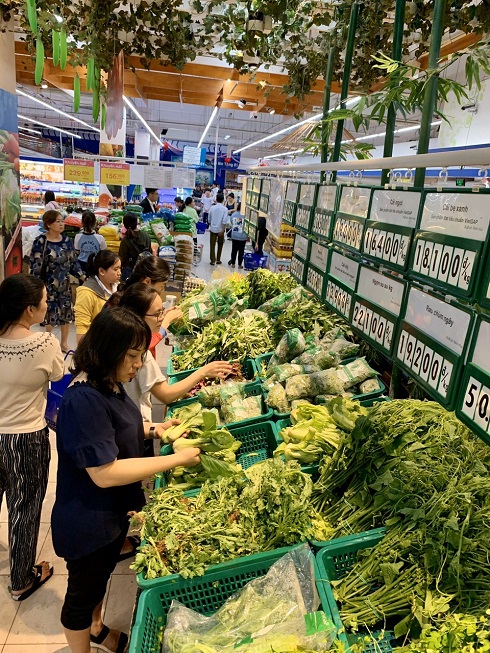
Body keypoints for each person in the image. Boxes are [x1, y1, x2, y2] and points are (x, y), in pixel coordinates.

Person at [51, 307, 201, 653]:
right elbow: (105, 473)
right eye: (133, 356)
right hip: (87, 520)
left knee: (99, 580)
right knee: (81, 595)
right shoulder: (84, 399)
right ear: (108, 350)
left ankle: (98, 628)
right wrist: (173, 460)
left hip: (110, 516)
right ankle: (82, 642)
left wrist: (154, 428)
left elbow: (117, 431)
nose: (139, 364)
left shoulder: (110, 384)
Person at [0, 274, 64, 601]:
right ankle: (22, 577)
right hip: (25, 437)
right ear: (28, 310)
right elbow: (58, 375)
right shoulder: (43, 344)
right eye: (43, 302)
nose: (46, 305)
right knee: (24, 507)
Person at [117, 283, 232, 422]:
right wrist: (203, 371)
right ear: (138, 316)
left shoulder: (122, 339)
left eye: (162, 311)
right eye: (157, 314)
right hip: (135, 424)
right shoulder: (139, 354)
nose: (162, 317)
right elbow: (166, 395)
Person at [30, 210, 84, 353]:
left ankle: (64, 344)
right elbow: (36, 265)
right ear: (49, 224)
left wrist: (82, 276)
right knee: (49, 314)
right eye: (58, 221)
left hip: (64, 284)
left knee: (66, 314)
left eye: (62, 221)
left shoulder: (67, 241)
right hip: (47, 284)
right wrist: (35, 285)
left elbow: (73, 262)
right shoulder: (41, 241)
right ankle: (47, 341)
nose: (62, 224)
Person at [122, 256, 182, 358]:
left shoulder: (133, 298)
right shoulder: (128, 305)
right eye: (161, 286)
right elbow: (140, 344)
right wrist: (165, 322)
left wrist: (159, 316)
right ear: (147, 282)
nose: (161, 291)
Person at [74, 250, 122, 343]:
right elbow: (82, 329)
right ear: (101, 271)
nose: (119, 272)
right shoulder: (86, 293)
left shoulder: (118, 287)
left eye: (120, 268)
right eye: (115, 269)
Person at [118, 212, 152, 281]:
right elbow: (149, 252)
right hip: (144, 270)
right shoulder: (146, 236)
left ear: (124, 225)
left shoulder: (125, 240)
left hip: (129, 272)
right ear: (136, 222)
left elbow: (121, 258)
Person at [208, 193, 229, 265]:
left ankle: (212, 260)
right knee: (220, 245)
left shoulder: (212, 208)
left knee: (212, 245)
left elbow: (209, 219)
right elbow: (224, 220)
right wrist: (223, 230)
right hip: (221, 230)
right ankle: (218, 259)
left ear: (216, 200)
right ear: (223, 200)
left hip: (213, 229)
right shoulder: (225, 209)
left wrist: (211, 225)